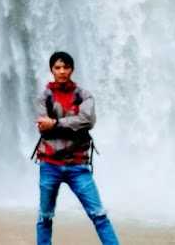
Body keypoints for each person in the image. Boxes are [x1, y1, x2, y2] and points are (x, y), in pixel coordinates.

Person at [34, 51, 120, 245]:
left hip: (78, 166)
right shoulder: (43, 97)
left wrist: (55, 124)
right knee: (45, 217)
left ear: (72, 69)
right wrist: (72, 125)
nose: (62, 71)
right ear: (52, 70)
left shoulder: (84, 95)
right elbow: (43, 128)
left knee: (99, 215)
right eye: (58, 67)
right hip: (49, 165)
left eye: (66, 67)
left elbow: (87, 121)